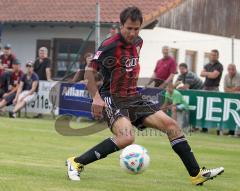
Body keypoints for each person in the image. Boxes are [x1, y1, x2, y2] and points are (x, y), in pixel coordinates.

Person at [66, 6, 224, 185]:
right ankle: (76, 162)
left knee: (172, 126)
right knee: (127, 137)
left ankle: (196, 174)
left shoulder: (139, 42)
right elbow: (89, 71)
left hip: (134, 96)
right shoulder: (110, 45)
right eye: (129, 28)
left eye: (136, 28)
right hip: (113, 98)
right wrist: (96, 97)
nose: (133, 33)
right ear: (121, 25)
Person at [200, 49, 223, 133]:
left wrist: (207, 73)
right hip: (205, 88)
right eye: (211, 54)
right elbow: (201, 73)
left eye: (214, 55)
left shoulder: (219, 66)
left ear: (218, 56)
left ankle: (217, 129)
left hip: (214, 88)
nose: (213, 56)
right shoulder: (207, 65)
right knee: (204, 108)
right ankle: (204, 128)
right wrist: (210, 73)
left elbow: (214, 76)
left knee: (215, 108)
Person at [224, 64, 240, 135]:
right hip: (230, 99)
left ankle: (237, 132)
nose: (231, 71)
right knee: (230, 114)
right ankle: (231, 131)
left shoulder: (238, 76)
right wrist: (232, 90)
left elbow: (238, 88)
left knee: (237, 115)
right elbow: (224, 89)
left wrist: (229, 90)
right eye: (229, 69)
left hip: (238, 99)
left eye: (232, 69)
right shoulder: (226, 76)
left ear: (235, 69)